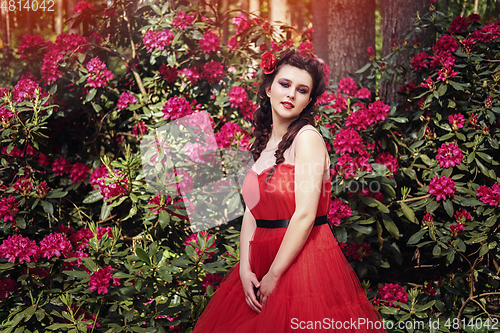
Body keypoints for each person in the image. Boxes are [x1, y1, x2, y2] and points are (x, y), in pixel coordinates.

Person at [192, 49, 386, 332]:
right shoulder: (264, 147)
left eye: (302, 90)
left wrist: (273, 274)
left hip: (301, 260)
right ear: (269, 88)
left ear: (308, 100)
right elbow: (252, 212)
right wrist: (245, 267)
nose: (291, 94)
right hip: (260, 259)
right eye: (285, 84)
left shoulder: (307, 139)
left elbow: (305, 215)